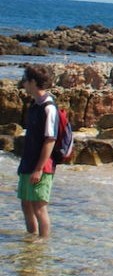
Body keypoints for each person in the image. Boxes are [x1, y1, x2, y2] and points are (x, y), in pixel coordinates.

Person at [17, 66, 58, 238]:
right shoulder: (34, 104)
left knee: (39, 207)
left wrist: (39, 168)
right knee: (26, 204)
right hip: (28, 162)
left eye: (26, 80)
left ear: (33, 82)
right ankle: (30, 243)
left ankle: (42, 245)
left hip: (42, 166)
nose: (23, 83)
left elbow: (50, 139)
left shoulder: (48, 107)